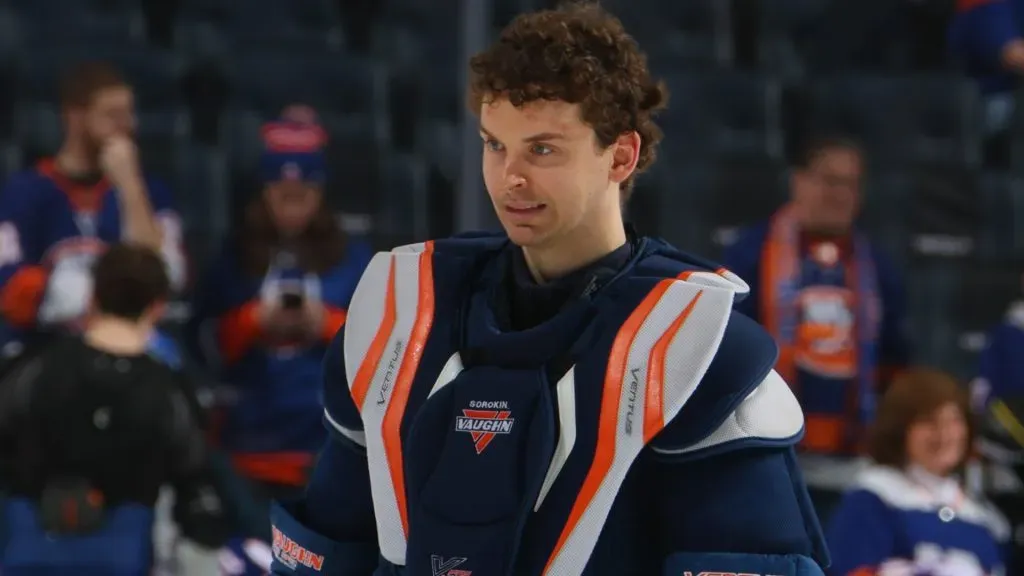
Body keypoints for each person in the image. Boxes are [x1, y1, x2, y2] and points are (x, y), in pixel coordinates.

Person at [268, 4, 829, 575]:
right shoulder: (402, 315)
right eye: (494, 145)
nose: (510, 176)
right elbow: (326, 553)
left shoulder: (697, 349)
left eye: (542, 149)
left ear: (621, 155)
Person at [188, 107, 372, 537]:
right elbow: (202, 344)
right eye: (282, 193)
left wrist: (324, 324)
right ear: (264, 191)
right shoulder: (232, 259)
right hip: (247, 447)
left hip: (325, 447)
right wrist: (254, 320)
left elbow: (380, 349)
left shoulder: (353, 259)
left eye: (303, 194)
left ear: (320, 192)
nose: (293, 206)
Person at [0, 244, 226, 575]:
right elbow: (195, 486)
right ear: (158, 307)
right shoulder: (168, 390)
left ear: (93, 297)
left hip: (26, 554)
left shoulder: (32, 371)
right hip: (123, 559)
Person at [722, 136, 910, 520]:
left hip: (853, 459)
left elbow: (895, 357)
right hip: (769, 453)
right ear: (798, 181)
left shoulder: (877, 265)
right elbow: (727, 349)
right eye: (829, 180)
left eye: (850, 184)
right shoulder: (751, 252)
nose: (840, 194)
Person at [0, 61, 186, 353]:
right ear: (75, 116)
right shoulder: (24, 192)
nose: (127, 126)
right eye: (113, 115)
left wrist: (130, 186)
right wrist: (110, 300)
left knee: (168, 356)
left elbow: (166, 274)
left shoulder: (150, 192)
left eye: (129, 114)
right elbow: (10, 288)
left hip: (128, 348)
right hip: (45, 350)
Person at [825, 367, 1009, 575]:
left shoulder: (983, 518)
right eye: (930, 421)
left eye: (954, 420)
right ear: (900, 429)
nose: (945, 434)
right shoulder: (875, 496)